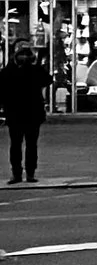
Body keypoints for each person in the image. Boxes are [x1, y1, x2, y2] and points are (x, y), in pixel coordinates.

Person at [0, 46, 46, 183]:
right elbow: (47, 80)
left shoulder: (9, 71)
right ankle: (29, 173)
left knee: (16, 144)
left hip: (15, 113)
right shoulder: (33, 70)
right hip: (31, 113)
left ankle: (17, 174)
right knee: (30, 145)